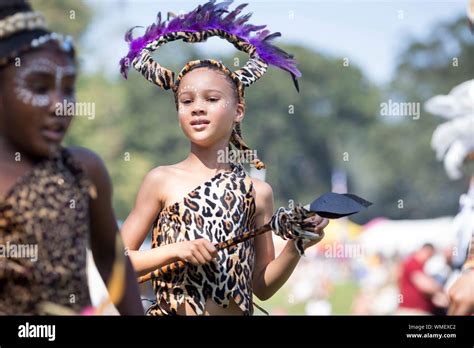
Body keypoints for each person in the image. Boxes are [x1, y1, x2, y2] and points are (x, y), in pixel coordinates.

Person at [120, 1, 329, 315]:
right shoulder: (161, 180)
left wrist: (297, 246)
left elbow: (261, 286)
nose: (197, 108)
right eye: (186, 101)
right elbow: (115, 262)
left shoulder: (258, 193)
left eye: (212, 99)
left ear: (238, 111)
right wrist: (177, 250)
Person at [0, 0, 143, 315]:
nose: (59, 105)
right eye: (38, 88)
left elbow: (111, 258)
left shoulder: (82, 170)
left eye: (68, 89)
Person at [397, 244, 445, 315]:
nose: (429, 258)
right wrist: (441, 289)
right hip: (412, 311)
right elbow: (427, 287)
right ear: (426, 251)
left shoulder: (419, 266)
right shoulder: (413, 263)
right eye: (430, 255)